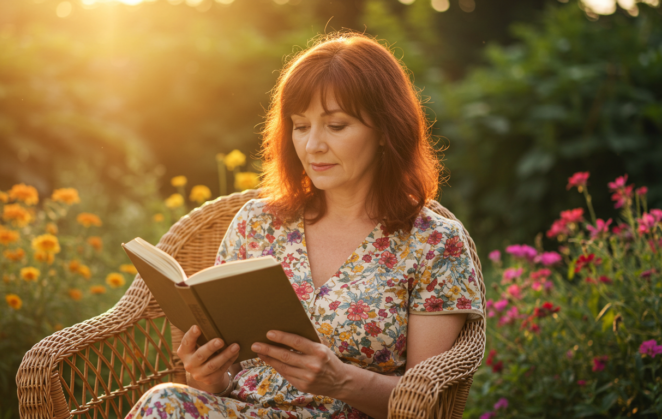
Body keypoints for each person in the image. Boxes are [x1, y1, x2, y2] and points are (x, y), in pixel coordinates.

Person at [125, 32, 484, 419]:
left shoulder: (434, 242)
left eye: (336, 126)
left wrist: (340, 380)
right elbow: (227, 378)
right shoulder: (257, 224)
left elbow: (428, 401)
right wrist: (211, 377)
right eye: (300, 126)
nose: (312, 145)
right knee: (166, 401)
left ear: (385, 130)